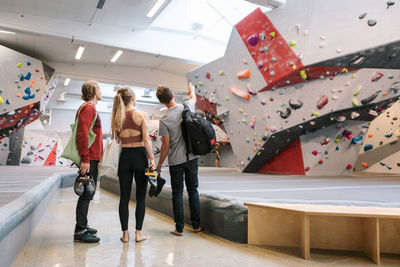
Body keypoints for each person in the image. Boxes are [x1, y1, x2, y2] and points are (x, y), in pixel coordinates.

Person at [155, 83, 201, 236]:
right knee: (193, 190)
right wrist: (191, 88)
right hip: (192, 157)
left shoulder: (164, 120)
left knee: (177, 193)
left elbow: (165, 145)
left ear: (161, 102)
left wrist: (159, 164)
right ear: (173, 95)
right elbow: (193, 97)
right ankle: (196, 226)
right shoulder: (187, 106)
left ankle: (179, 228)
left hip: (176, 161)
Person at [112, 87, 154, 242]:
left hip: (125, 157)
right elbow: (147, 139)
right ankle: (138, 234)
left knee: (124, 197)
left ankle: (125, 234)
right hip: (140, 156)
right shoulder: (141, 115)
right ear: (133, 98)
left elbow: (117, 139)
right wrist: (152, 159)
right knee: (140, 197)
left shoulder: (117, 117)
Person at [74, 80, 103, 243]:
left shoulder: (90, 108)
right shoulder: (88, 108)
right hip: (89, 158)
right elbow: (82, 134)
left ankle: (82, 225)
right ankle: (80, 231)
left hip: (92, 157)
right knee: (86, 194)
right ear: (93, 91)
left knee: (88, 194)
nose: (101, 91)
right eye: (99, 88)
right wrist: (85, 158)